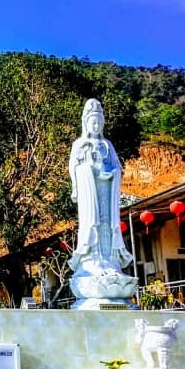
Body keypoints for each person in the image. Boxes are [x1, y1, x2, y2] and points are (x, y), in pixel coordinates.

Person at [67, 98, 132, 274]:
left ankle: (109, 260)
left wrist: (112, 173)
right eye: (93, 122)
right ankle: (91, 260)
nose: (96, 126)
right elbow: (73, 167)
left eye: (99, 122)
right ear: (86, 123)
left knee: (107, 224)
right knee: (91, 223)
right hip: (89, 191)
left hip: (106, 191)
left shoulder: (107, 145)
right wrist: (85, 173)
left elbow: (117, 166)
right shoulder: (79, 145)